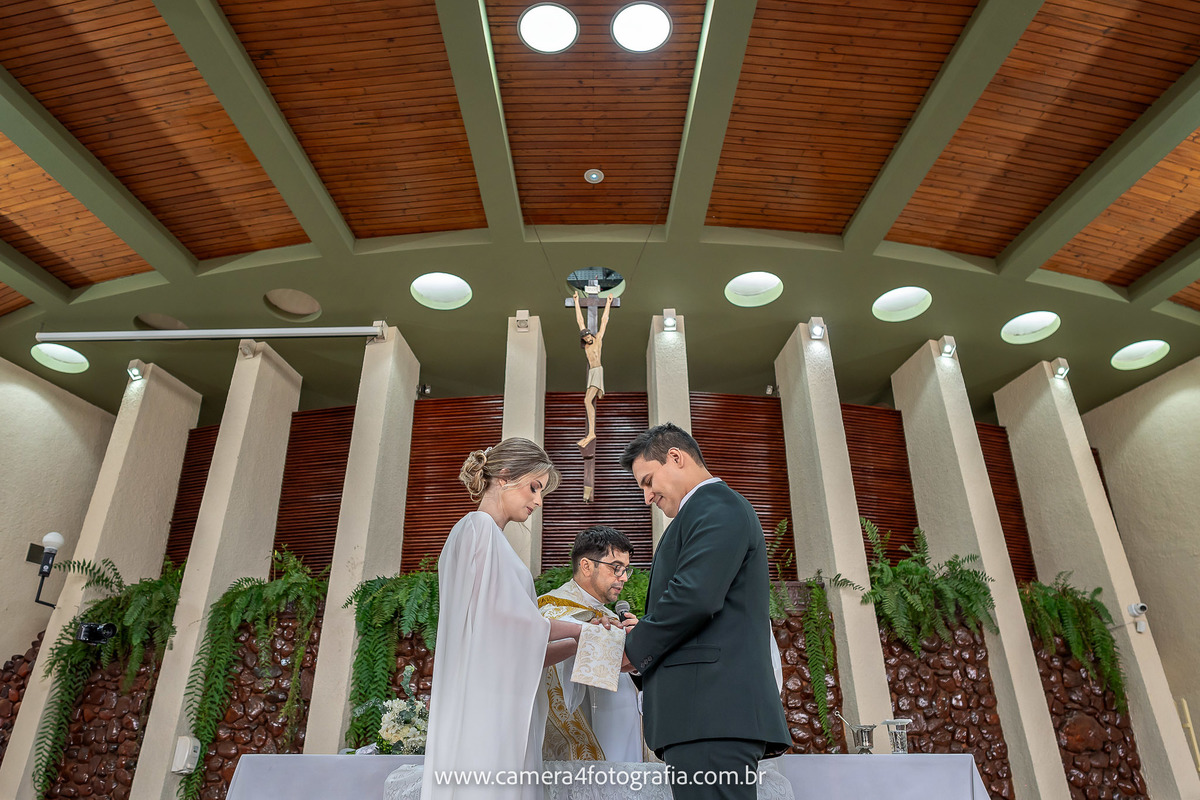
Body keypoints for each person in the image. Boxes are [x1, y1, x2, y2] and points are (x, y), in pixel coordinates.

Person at [619, 423, 790, 800]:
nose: (647, 497)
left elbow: (695, 596)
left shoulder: (717, 506)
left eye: (648, 481)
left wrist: (630, 651)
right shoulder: (701, 512)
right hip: (703, 715)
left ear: (676, 458)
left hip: (713, 713)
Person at [420, 439, 581, 800]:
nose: (538, 501)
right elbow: (510, 623)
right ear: (505, 477)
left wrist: (574, 644)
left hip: (498, 699)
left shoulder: (483, 535)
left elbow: (510, 645)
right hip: (485, 707)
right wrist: (582, 629)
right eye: (534, 487)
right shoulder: (478, 528)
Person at [538, 526, 643, 763]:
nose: (624, 577)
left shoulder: (609, 616)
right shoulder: (552, 613)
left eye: (626, 570)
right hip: (587, 740)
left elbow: (628, 669)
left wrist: (640, 640)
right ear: (586, 566)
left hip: (624, 733)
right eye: (616, 567)